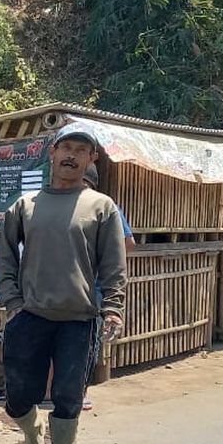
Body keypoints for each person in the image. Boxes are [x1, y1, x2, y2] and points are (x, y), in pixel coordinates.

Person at [0, 123, 126, 444]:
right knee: (19, 395)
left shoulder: (101, 207)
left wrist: (113, 308)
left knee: (69, 396)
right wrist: (13, 302)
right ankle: (32, 431)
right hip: (30, 316)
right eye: (64, 147)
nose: (71, 155)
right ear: (51, 154)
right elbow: (4, 255)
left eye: (80, 150)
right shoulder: (25, 206)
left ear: (91, 158)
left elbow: (113, 265)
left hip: (79, 319)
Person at [81, 162, 135, 410]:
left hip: (92, 291)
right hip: (58, 289)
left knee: (85, 344)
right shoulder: (54, 203)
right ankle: (55, 392)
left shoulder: (105, 207)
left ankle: (79, 393)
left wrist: (102, 254)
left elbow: (127, 242)